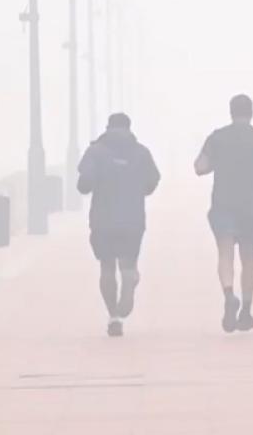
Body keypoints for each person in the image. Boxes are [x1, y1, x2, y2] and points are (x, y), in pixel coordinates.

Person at [195, 95, 253, 333]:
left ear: (231, 112)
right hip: (250, 204)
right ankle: (247, 311)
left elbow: (200, 166)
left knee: (225, 252)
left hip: (223, 202)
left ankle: (229, 294)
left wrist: (216, 165)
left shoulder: (217, 137)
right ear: (251, 112)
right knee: (248, 257)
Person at [78, 113, 161, 337]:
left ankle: (114, 316)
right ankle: (129, 277)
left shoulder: (95, 151)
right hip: (132, 218)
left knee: (106, 266)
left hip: (102, 219)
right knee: (127, 262)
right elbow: (152, 181)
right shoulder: (141, 152)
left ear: (108, 127)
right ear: (129, 128)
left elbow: (84, 184)